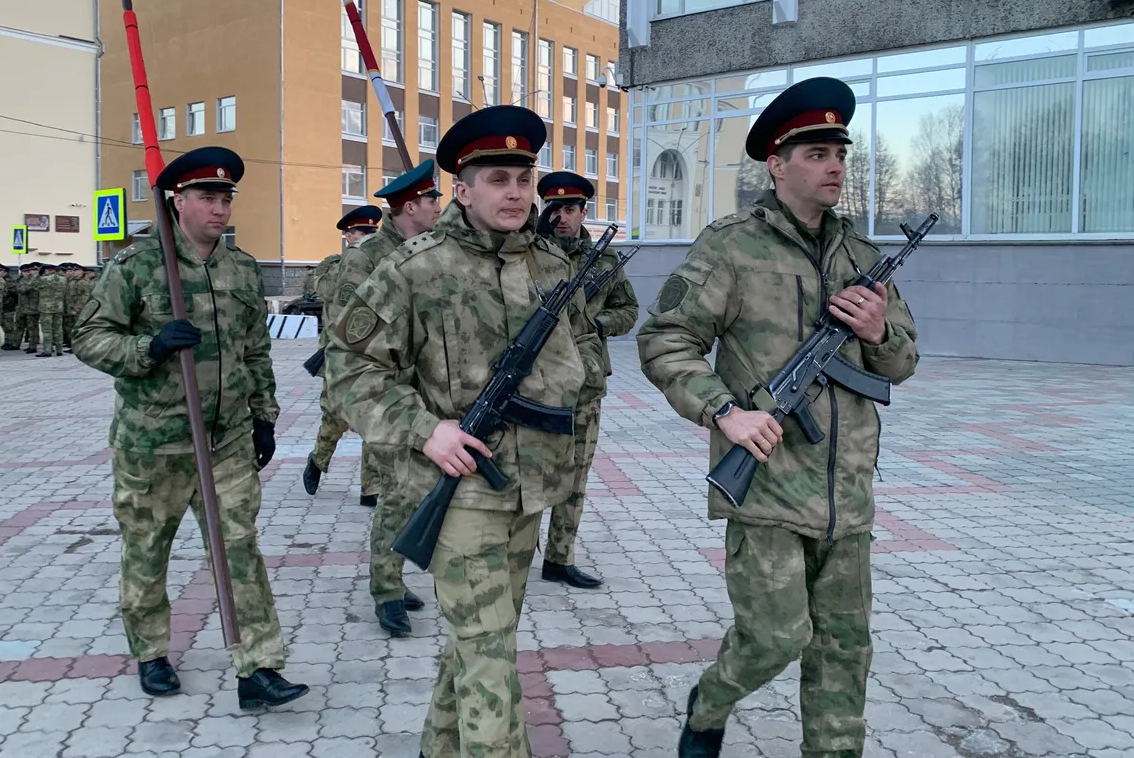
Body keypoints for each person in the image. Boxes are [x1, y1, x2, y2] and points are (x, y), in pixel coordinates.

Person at [635, 78, 920, 758]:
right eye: (818, 154)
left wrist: (878, 331)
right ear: (777, 164)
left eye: (840, 155)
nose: (834, 167)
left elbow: (902, 362)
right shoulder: (731, 247)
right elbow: (665, 340)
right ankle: (711, 702)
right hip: (765, 485)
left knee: (845, 650)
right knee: (775, 637)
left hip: (847, 495)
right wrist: (724, 413)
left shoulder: (862, 258)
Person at [326, 105, 604, 758]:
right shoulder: (417, 268)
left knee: (482, 644)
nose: (515, 192)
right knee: (489, 661)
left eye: (523, 178)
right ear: (462, 189)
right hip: (456, 492)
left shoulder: (551, 266)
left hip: (528, 492)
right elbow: (348, 370)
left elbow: (585, 351)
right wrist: (426, 430)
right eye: (498, 179)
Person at [72, 146, 308, 710]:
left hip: (226, 440)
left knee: (239, 547)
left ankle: (258, 667)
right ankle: (151, 652)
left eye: (226, 198)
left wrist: (264, 418)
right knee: (148, 548)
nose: (219, 209)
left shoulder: (242, 268)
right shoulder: (137, 266)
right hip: (154, 443)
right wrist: (148, 347)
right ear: (178, 201)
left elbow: (255, 350)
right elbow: (88, 337)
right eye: (207, 197)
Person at [326, 159, 443, 636]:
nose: (439, 206)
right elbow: (345, 331)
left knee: (416, 492)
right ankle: (387, 589)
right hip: (389, 394)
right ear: (410, 206)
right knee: (397, 493)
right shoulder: (367, 257)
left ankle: (395, 576)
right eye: (432, 199)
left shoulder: (432, 249)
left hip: (430, 393)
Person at [536, 171, 639, 589]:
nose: (562, 218)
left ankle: (559, 558)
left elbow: (628, 311)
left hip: (586, 380)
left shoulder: (605, 260)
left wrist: (597, 324)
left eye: (570, 209)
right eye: (554, 209)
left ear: (583, 212)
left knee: (576, 473)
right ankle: (513, 553)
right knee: (532, 470)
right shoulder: (529, 255)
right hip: (536, 382)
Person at [302, 204, 383, 500]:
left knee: (373, 417)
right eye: (360, 236)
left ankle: (371, 488)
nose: (365, 242)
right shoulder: (334, 265)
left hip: (372, 354)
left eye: (370, 235)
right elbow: (328, 294)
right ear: (349, 237)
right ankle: (317, 460)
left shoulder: (382, 260)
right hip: (337, 356)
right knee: (335, 417)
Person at [36, 263, 66, 357]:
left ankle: (47, 350)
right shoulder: (63, 279)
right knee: (58, 330)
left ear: (46, 270)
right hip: (58, 307)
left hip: (46, 308)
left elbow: (31, 285)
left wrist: (38, 274)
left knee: (47, 330)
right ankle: (59, 350)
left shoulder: (43, 279)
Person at [63, 263, 91, 353]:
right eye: (73, 270)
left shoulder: (83, 283)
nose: (74, 272)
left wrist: (77, 309)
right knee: (71, 329)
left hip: (79, 311)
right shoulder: (72, 282)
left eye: (77, 270)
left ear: (82, 272)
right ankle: (73, 346)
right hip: (71, 310)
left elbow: (85, 297)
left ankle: (81, 347)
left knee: (79, 329)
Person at [17, 263, 41, 353]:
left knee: (34, 328)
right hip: (27, 308)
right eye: (32, 270)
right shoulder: (25, 280)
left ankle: (34, 346)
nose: (34, 272)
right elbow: (22, 290)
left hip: (38, 307)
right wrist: (32, 281)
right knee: (28, 328)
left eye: (36, 270)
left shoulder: (41, 279)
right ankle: (30, 345)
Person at [0, 264, 21, 350]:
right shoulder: (1, 280)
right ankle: (7, 341)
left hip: (9, 306)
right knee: (4, 324)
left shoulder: (9, 281)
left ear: (5, 272)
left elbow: (14, 293)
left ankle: (11, 342)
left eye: (0, 271)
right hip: (3, 306)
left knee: (9, 325)